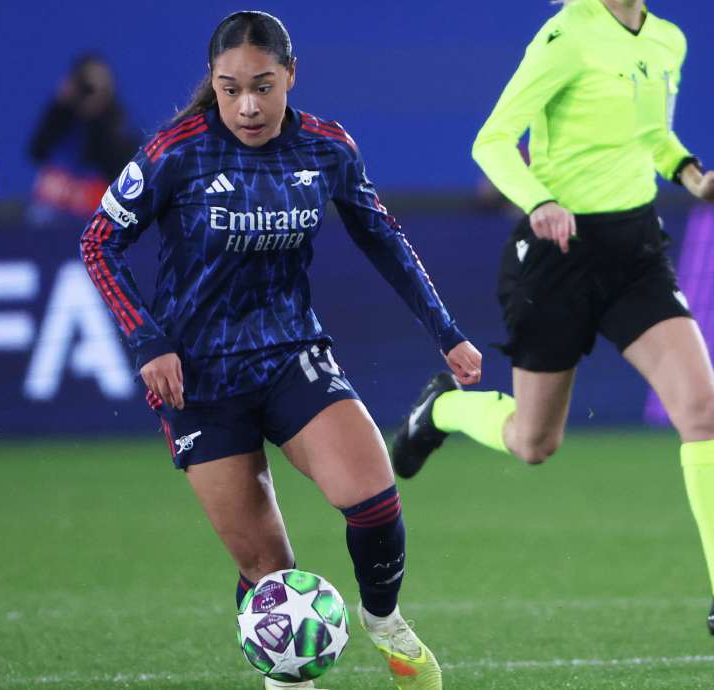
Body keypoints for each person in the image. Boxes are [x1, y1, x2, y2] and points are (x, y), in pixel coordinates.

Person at [79, 11, 481, 690]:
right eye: (231, 87)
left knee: (375, 498)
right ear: (213, 82)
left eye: (263, 85)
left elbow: (384, 239)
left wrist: (447, 332)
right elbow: (98, 242)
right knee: (271, 578)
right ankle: (287, 678)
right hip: (200, 379)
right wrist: (148, 339)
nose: (248, 105)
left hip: (291, 352)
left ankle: (382, 619)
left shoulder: (326, 149)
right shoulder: (176, 151)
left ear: (291, 76)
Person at [390, 0, 714, 640]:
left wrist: (692, 177)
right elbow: (491, 140)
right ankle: (441, 410)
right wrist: (540, 200)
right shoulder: (565, 35)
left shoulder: (668, 40)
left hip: (635, 253)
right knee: (534, 442)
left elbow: (652, 136)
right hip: (557, 258)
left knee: (703, 411)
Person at [26, 55, 140, 228]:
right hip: (59, 209)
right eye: (85, 86)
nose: (90, 93)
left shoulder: (116, 122)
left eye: (97, 87)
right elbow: (37, 152)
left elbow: (117, 167)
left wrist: (99, 117)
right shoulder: (62, 116)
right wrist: (58, 106)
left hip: (104, 210)